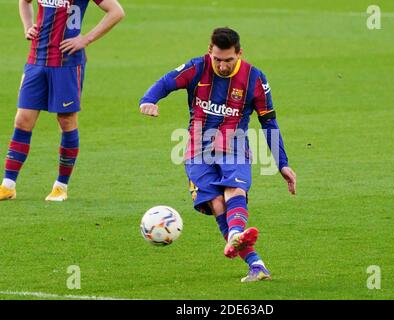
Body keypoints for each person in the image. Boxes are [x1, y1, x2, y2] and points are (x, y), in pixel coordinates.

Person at [139, 27, 297, 282]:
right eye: (217, 59)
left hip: (234, 145)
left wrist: (283, 164)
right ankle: (256, 264)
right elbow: (166, 82)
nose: (222, 66)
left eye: (228, 60)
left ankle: (235, 234)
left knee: (235, 190)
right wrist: (148, 100)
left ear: (240, 54)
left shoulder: (255, 79)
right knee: (217, 204)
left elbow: (269, 123)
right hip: (196, 149)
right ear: (209, 52)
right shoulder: (197, 67)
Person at [0, 0, 125, 202]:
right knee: (22, 120)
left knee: (66, 121)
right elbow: (24, 2)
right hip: (36, 59)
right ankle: (8, 185)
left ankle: (61, 186)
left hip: (67, 63)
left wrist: (85, 39)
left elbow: (116, 12)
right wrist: (27, 26)